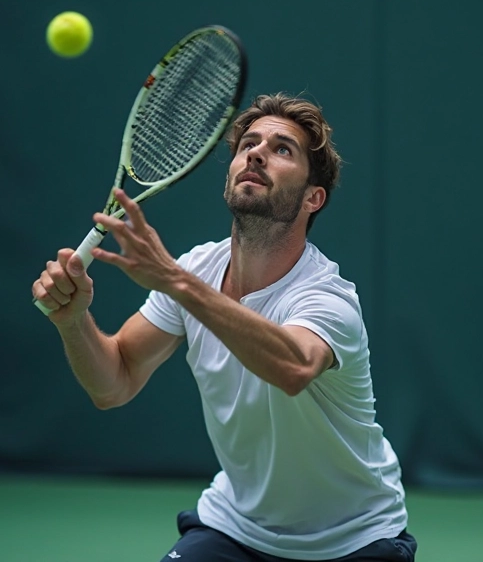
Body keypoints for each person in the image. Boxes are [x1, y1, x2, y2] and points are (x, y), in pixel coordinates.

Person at [32, 93, 416, 562]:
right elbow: (115, 381)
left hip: (354, 539)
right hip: (236, 528)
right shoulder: (197, 270)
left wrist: (175, 281)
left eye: (282, 149)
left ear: (314, 198)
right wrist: (73, 322)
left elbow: (293, 367)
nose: (255, 153)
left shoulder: (326, 298)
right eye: (247, 144)